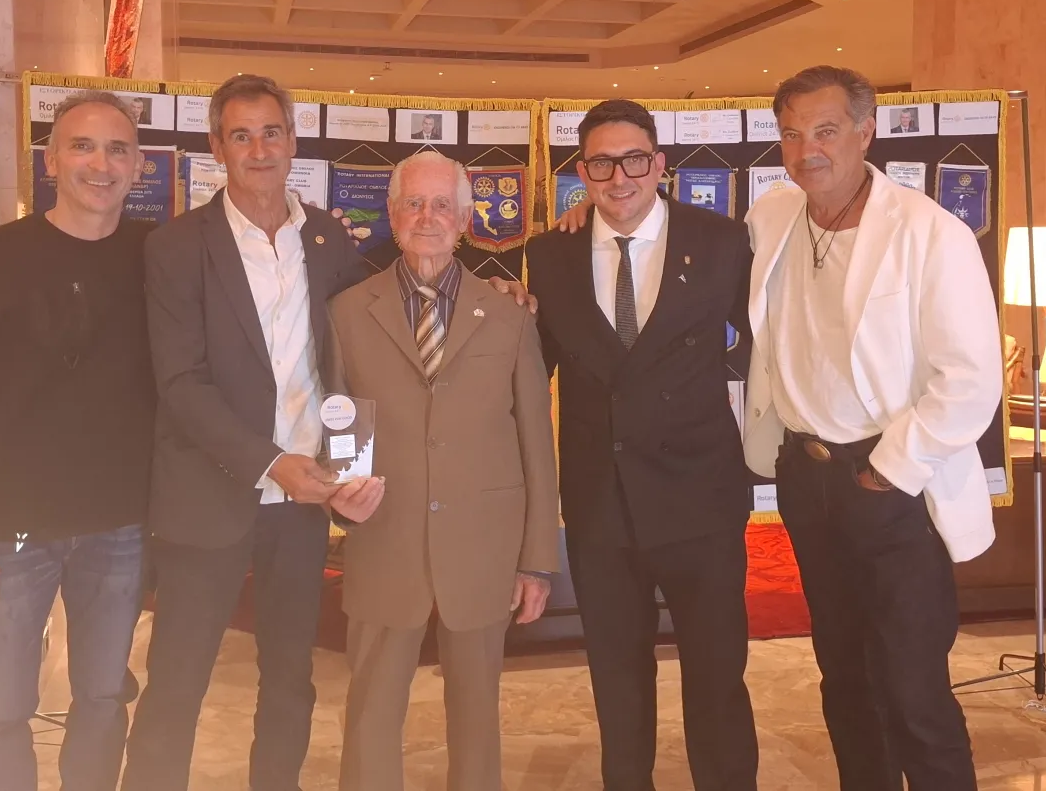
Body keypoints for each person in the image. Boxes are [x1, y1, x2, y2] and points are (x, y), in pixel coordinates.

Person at [122, 75, 531, 791]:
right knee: (177, 685)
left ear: (292, 140)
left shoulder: (327, 238)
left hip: (302, 509)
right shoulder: (176, 247)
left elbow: (396, 305)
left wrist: (493, 289)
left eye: (271, 132)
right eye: (241, 135)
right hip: (209, 498)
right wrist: (271, 462)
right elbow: (180, 384)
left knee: (289, 683)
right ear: (217, 145)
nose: (259, 149)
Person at [743, 65, 1001, 791]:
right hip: (807, 481)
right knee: (844, 678)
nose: (807, 150)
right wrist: (584, 220)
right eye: (792, 134)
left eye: (825, 130)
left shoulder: (931, 233)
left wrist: (889, 470)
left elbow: (971, 379)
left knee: (912, 688)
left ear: (866, 131)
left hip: (892, 486)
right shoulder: (772, 218)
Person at [0, 90, 155, 791]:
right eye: (83, 146)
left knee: (104, 697)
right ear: (51, 161)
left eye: (117, 149)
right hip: (8, 528)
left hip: (119, 523)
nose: (100, 164)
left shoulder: (157, 256)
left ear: (138, 165)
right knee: (2, 706)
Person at [527, 99, 759, 790]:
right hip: (601, 508)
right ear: (582, 174)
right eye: (601, 164)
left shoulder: (721, 242)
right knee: (618, 683)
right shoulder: (550, 254)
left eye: (633, 160)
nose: (619, 177)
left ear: (659, 164)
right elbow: (533, 371)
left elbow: (763, 345)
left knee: (717, 679)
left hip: (701, 501)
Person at [325, 151, 558, 791]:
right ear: (392, 214)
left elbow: (536, 443)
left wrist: (537, 560)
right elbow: (342, 422)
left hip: (483, 549)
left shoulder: (509, 315)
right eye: (414, 204)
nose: (427, 217)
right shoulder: (347, 312)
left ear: (464, 219)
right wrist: (342, 491)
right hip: (386, 540)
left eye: (441, 205)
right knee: (371, 711)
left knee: (478, 716)